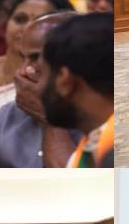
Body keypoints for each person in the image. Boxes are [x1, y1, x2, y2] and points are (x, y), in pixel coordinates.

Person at [0, 0, 72, 136]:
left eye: (40, 22)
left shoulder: (69, 96)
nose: (28, 28)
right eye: (20, 19)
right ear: (6, 23)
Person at [37, 13, 114, 167]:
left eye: (39, 73)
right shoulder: (90, 148)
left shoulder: (113, 155)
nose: (36, 87)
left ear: (64, 81)